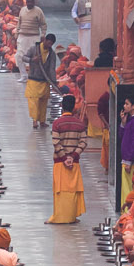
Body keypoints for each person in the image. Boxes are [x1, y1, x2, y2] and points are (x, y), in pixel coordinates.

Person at [46, 96, 86, 226]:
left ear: (62, 106)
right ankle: (71, 216)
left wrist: (64, 157)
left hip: (60, 162)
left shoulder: (57, 123)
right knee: (72, 190)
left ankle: (59, 217)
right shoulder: (80, 123)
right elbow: (83, 142)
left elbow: (56, 142)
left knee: (60, 190)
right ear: (74, 107)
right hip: (74, 163)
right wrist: (73, 156)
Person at [24, 34, 56, 131]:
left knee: (43, 101)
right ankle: (34, 120)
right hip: (33, 80)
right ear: (45, 40)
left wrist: (54, 81)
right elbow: (23, 58)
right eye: (49, 43)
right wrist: (32, 60)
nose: (49, 45)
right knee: (34, 101)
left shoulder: (52, 54)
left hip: (45, 81)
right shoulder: (34, 49)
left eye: (51, 44)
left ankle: (42, 121)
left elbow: (52, 69)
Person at [15, 0, 46, 74]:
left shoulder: (38, 11)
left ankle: (32, 75)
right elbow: (19, 23)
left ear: (34, 2)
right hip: (22, 37)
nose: (29, 3)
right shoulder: (22, 10)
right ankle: (23, 75)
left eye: (31, 2)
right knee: (19, 56)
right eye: (28, 2)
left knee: (34, 58)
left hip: (34, 37)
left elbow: (43, 24)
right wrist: (16, 33)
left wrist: (43, 34)